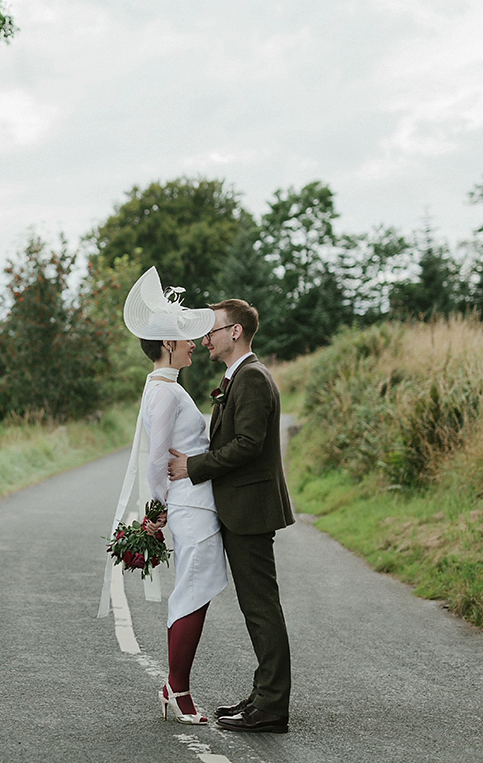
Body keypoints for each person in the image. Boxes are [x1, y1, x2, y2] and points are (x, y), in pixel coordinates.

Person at [100, 267, 228, 725]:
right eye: (186, 337)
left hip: (194, 502)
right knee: (193, 593)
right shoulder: (165, 392)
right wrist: (157, 511)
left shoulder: (166, 388)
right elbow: (156, 461)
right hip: (191, 505)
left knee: (196, 591)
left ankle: (175, 686)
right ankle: (177, 690)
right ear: (168, 344)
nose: (194, 342)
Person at [167, 298, 294, 734]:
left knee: (261, 609)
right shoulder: (238, 376)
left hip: (251, 511)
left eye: (213, 330)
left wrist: (193, 467)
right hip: (242, 509)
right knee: (255, 607)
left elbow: (248, 445)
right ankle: (262, 695)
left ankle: (272, 707)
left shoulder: (253, 378)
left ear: (234, 332)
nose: (205, 339)